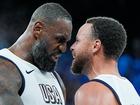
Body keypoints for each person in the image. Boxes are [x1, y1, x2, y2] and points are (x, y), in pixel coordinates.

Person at [0, 2, 72, 105]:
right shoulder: (4, 69)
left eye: (66, 42)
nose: (64, 49)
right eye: (59, 39)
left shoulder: (56, 80)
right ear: (38, 29)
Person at [70, 17, 140, 105]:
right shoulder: (130, 90)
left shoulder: (91, 91)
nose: (72, 47)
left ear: (95, 46)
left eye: (78, 41)